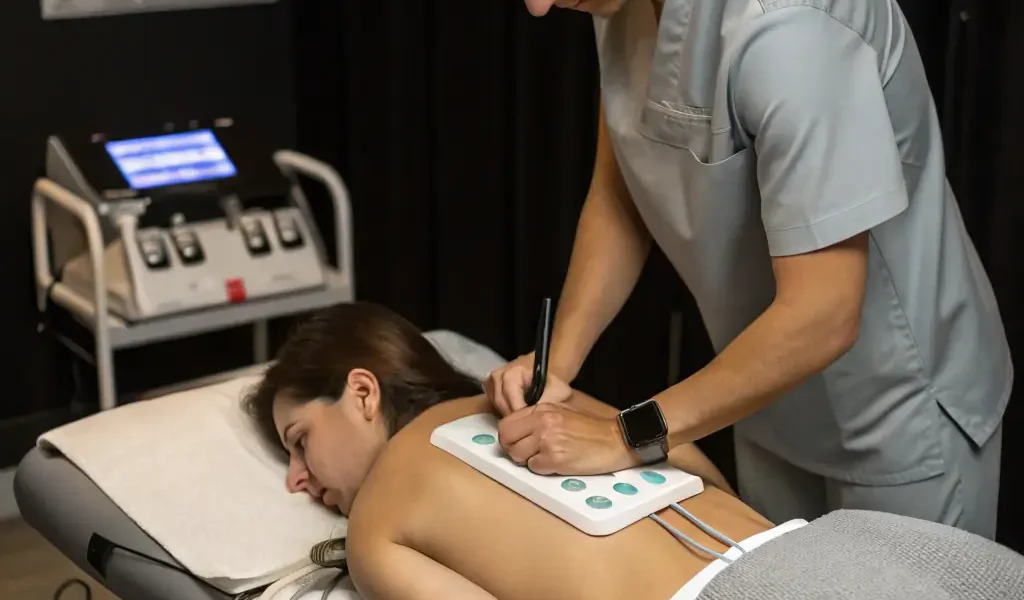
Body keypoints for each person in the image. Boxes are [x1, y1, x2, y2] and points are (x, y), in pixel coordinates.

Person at [486, 0, 1012, 539]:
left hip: (899, 413)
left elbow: (824, 313)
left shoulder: (791, 26)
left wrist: (626, 436)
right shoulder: (619, 8)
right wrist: (559, 363)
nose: (537, 7)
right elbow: (622, 190)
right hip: (760, 395)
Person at [244, 303, 1024, 600]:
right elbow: (708, 478)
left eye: (297, 440)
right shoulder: (547, 398)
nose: (296, 479)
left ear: (362, 392)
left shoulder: (377, 521)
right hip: (855, 548)